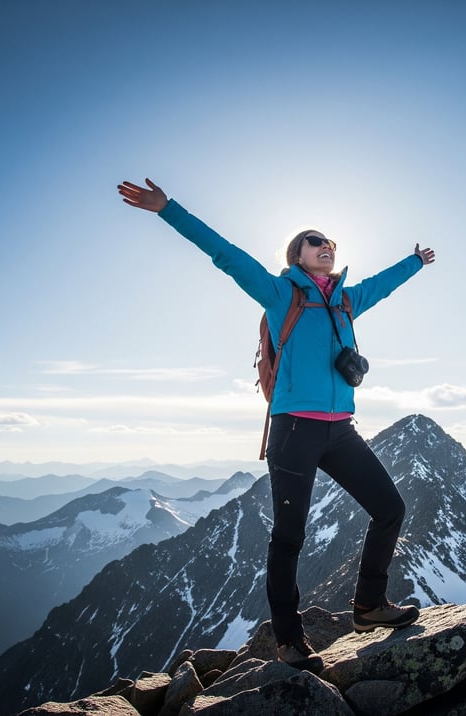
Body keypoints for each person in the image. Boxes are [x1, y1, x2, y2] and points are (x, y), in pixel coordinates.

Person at [117, 178, 435, 674]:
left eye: (331, 243)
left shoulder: (348, 300)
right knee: (289, 537)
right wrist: (167, 209)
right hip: (293, 431)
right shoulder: (279, 293)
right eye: (316, 242)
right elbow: (224, 253)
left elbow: (385, 284)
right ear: (297, 255)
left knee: (390, 508)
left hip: (340, 430)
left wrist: (415, 261)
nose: (326, 247)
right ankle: (289, 640)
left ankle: (369, 607)